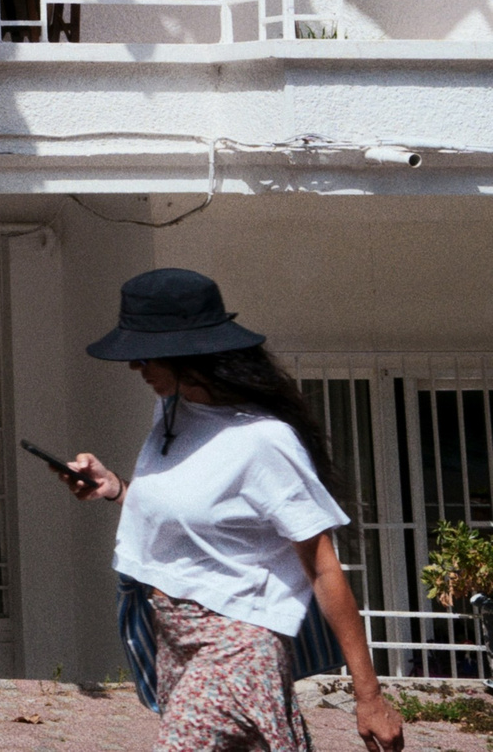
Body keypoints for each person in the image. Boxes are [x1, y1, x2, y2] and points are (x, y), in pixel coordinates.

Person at [52, 268, 403, 752]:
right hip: (173, 635)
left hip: (238, 642)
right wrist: (114, 489)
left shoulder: (262, 441)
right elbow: (193, 522)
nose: (136, 367)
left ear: (189, 351)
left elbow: (322, 564)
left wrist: (370, 698)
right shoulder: (173, 414)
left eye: (144, 354)